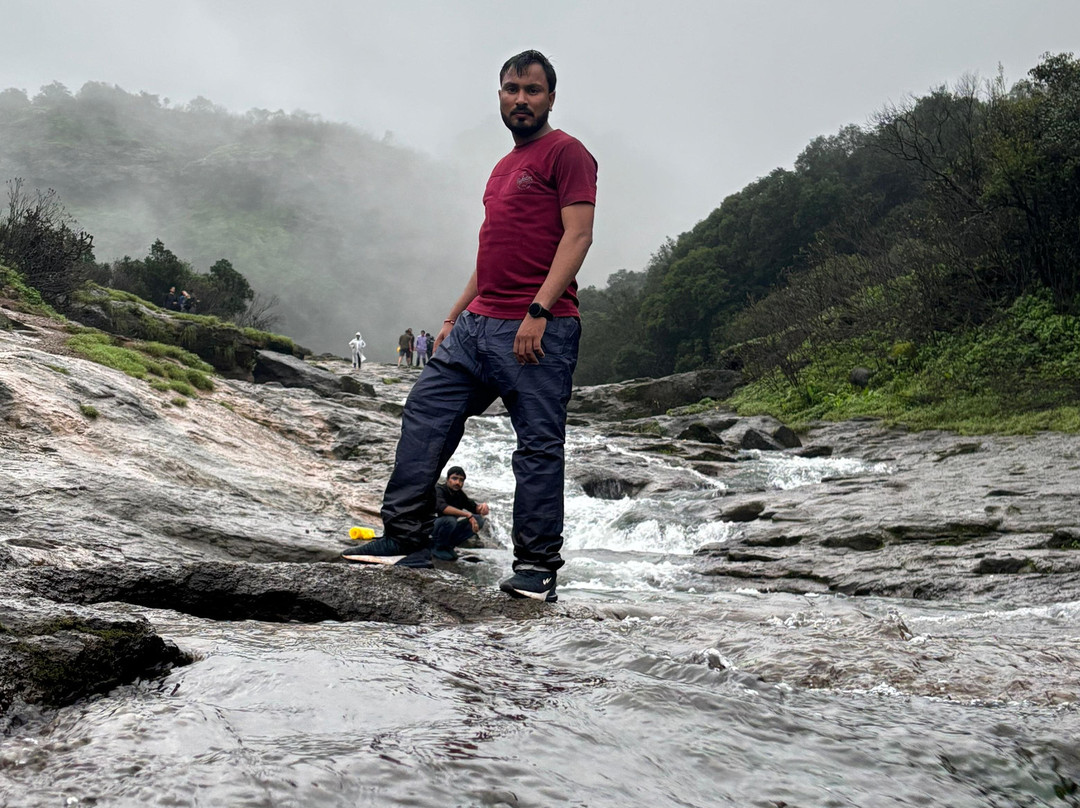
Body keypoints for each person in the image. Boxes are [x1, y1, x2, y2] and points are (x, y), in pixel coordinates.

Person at [343, 50, 596, 604]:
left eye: (532, 90)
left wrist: (539, 311)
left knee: (536, 446)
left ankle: (535, 568)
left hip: (535, 329)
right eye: (511, 89)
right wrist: (458, 312)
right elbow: (492, 251)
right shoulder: (502, 167)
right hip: (476, 326)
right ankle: (405, 538)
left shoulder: (568, 153)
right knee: (425, 413)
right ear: (500, 96)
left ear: (550, 97)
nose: (521, 99)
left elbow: (578, 236)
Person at [430, 466, 490, 560]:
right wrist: (467, 515)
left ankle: (448, 546)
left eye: (461, 480)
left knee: (479, 520)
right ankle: (436, 547)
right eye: (454, 478)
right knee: (450, 520)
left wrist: (483, 507)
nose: (458, 482)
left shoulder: (459, 494)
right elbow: (443, 508)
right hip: (430, 530)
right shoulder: (439, 489)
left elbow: (474, 508)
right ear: (447, 479)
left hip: (447, 528)